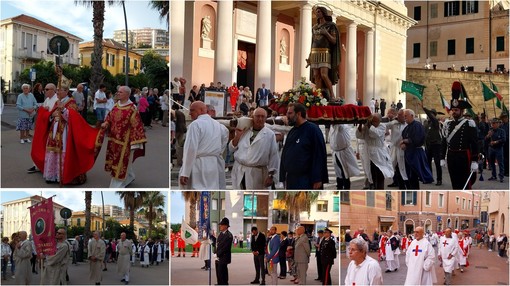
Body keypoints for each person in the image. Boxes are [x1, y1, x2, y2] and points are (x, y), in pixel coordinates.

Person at [31, 82, 98, 185]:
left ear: (66, 91)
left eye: (60, 90)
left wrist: (64, 110)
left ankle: (62, 176)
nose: (57, 92)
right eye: (57, 90)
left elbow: (74, 118)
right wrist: (51, 115)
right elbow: (51, 114)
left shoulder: (71, 102)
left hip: (65, 132)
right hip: (54, 130)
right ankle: (52, 175)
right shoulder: (58, 101)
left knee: (62, 153)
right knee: (53, 152)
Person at [99, 86, 147, 188]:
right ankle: (130, 176)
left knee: (121, 163)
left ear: (127, 94)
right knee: (120, 162)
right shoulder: (116, 105)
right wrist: (106, 123)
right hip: (113, 140)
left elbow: (137, 126)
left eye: (120, 92)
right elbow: (110, 117)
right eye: (118, 92)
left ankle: (116, 185)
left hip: (125, 143)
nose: (118, 93)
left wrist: (135, 143)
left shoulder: (132, 109)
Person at [179, 101, 229, 189]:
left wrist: (185, 172)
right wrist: (218, 152)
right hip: (213, 164)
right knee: (211, 189)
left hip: (198, 165)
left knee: (197, 190)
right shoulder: (218, 125)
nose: (190, 113)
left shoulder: (195, 125)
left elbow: (190, 148)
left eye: (192, 110)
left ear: (201, 110)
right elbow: (225, 136)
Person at [280, 103, 328, 189]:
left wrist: (318, 178)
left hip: (306, 179)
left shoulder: (313, 130)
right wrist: (282, 175)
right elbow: (285, 153)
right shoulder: (292, 131)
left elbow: (319, 155)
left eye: (290, 113)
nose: (287, 116)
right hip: (291, 179)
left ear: (298, 114)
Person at [230, 108, 279, 189]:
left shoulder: (270, 135)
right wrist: (237, 136)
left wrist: (271, 176)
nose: (260, 119)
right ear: (252, 117)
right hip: (240, 170)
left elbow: (273, 155)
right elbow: (232, 149)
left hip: (258, 173)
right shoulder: (244, 130)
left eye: (263, 117)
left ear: (266, 118)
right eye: (257, 116)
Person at [442, 81, 478, 189]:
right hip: (452, 156)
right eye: (453, 110)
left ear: (462, 111)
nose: (454, 112)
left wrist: (474, 160)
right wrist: (442, 157)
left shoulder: (469, 124)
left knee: (465, 182)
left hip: (464, 156)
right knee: (454, 181)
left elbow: (474, 143)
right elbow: (444, 141)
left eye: (456, 110)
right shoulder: (447, 124)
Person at [306, 6, 340, 100]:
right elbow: (313, 42)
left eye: (319, 11)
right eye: (316, 12)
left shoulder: (331, 26)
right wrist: (310, 56)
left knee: (324, 75)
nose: (317, 13)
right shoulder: (314, 27)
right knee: (316, 76)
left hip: (325, 52)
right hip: (315, 53)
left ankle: (332, 95)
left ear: (323, 13)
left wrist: (326, 33)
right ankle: (318, 96)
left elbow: (334, 41)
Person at [356, 113, 394, 189]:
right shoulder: (367, 127)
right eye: (372, 121)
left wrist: (370, 125)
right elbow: (359, 136)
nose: (373, 122)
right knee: (370, 172)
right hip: (368, 153)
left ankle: (379, 189)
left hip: (378, 153)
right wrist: (360, 125)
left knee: (379, 173)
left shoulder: (382, 126)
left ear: (380, 120)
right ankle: (372, 186)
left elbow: (375, 134)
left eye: (375, 121)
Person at [400, 109, 434, 188]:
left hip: (415, 153)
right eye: (404, 116)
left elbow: (418, 139)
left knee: (414, 174)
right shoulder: (407, 127)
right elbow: (404, 136)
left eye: (406, 116)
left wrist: (407, 141)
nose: (404, 118)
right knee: (409, 175)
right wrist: (403, 143)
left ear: (412, 116)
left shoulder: (417, 125)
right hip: (408, 153)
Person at [329, 124, 360, 189]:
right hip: (336, 152)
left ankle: (346, 188)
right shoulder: (332, 127)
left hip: (343, 153)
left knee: (345, 173)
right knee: (338, 172)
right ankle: (339, 186)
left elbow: (340, 126)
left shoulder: (342, 127)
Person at [422, 105, 445, 186]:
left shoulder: (435, 122)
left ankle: (439, 179)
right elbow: (424, 134)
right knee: (427, 163)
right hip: (428, 145)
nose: (429, 116)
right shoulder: (426, 123)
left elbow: (432, 117)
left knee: (437, 163)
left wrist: (424, 108)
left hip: (436, 144)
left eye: (431, 114)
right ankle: (429, 177)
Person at [486, 118, 506, 182]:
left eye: (494, 123)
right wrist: (488, 136)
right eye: (492, 123)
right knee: (492, 163)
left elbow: (503, 139)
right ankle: (493, 175)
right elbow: (486, 139)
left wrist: (496, 142)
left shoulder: (502, 131)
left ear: (498, 124)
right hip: (491, 148)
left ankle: (501, 176)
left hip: (498, 148)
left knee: (500, 163)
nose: (493, 125)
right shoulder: (490, 131)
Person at [216, 218, 233, 285]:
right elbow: (217, 243)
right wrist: (211, 236)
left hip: (224, 256)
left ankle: (224, 283)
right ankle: (219, 283)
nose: (220, 226)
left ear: (226, 226)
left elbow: (225, 247)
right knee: (219, 272)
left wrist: (218, 254)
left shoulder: (229, 235)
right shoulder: (221, 234)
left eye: (221, 225)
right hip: (219, 256)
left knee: (222, 272)